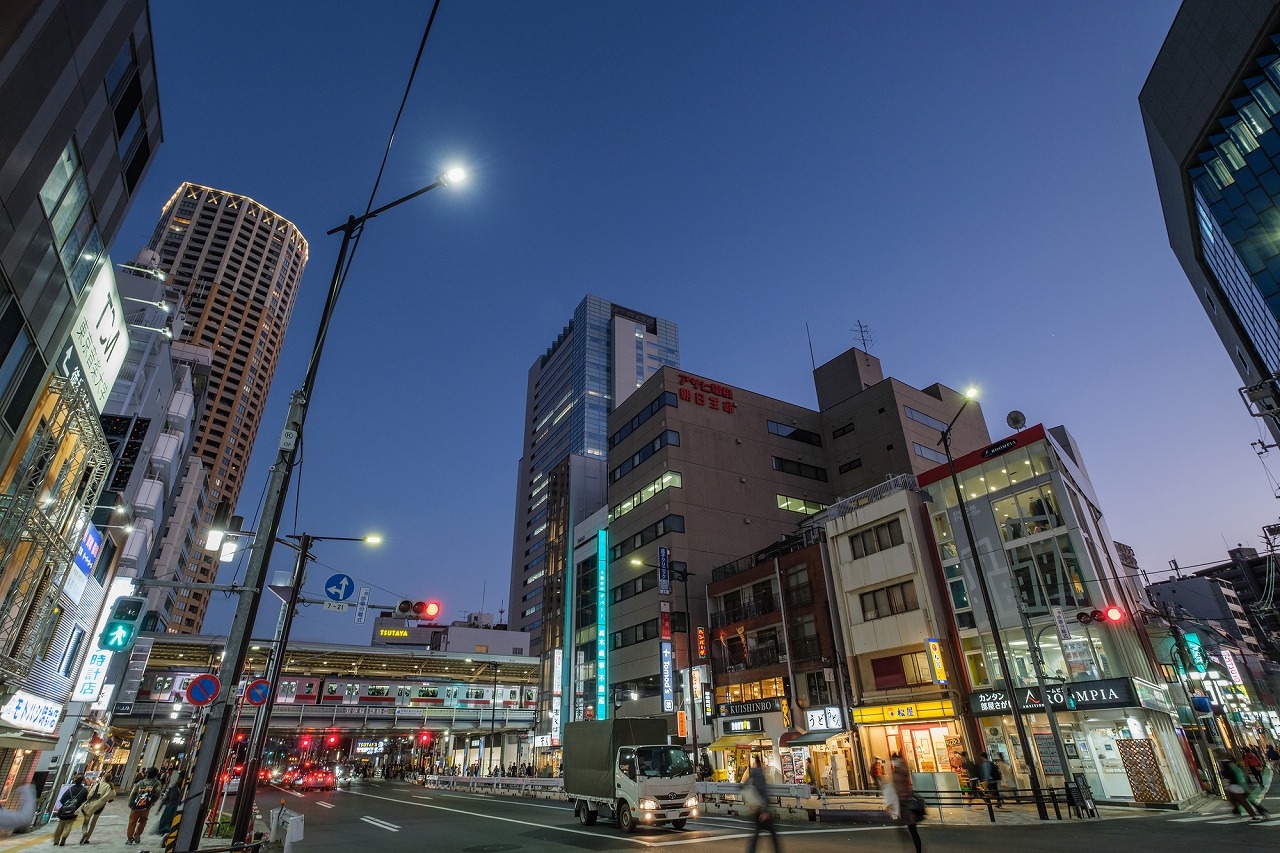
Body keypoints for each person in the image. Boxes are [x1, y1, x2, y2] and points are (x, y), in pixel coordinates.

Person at [743, 757, 780, 853]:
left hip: (755, 810)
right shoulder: (760, 776)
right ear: (760, 765)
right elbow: (763, 792)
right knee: (773, 835)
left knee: (755, 836)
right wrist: (765, 811)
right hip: (762, 810)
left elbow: (742, 787)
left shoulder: (751, 776)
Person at [886, 754, 922, 853]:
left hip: (905, 803)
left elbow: (898, 784)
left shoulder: (901, 769)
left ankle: (916, 850)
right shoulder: (899, 769)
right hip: (901, 802)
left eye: (894, 760)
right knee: (907, 829)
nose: (892, 762)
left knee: (910, 829)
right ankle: (915, 850)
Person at [126, 767, 162, 843]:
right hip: (146, 807)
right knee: (143, 821)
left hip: (136, 806)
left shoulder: (140, 783)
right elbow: (158, 793)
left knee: (132, 822)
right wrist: (152, 802)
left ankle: (129, 839)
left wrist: (131, 804)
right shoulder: (157, 783)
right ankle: (138, 834)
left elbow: (133, 794)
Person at [79, 771, 117, 843]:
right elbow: (112, 796)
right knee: (93, 823)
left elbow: (90, 795)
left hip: (92, 804)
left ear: (104, 778)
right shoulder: (110, 787)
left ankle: (84, 832)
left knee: (86, 821)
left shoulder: (97, 785)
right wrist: (108, 800)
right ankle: (87, 839)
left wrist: (88, 800)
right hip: (100, 806)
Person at [52, 774, 88, 846]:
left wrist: (66, 805)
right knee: (69, 824)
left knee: (60, 825)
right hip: (74, 811)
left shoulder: (70, 789)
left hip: (64, 811)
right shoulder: (84, 790)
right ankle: (64, 836)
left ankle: (56, 841)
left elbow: (62, 800)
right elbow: (85, 801)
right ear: (82, 781)